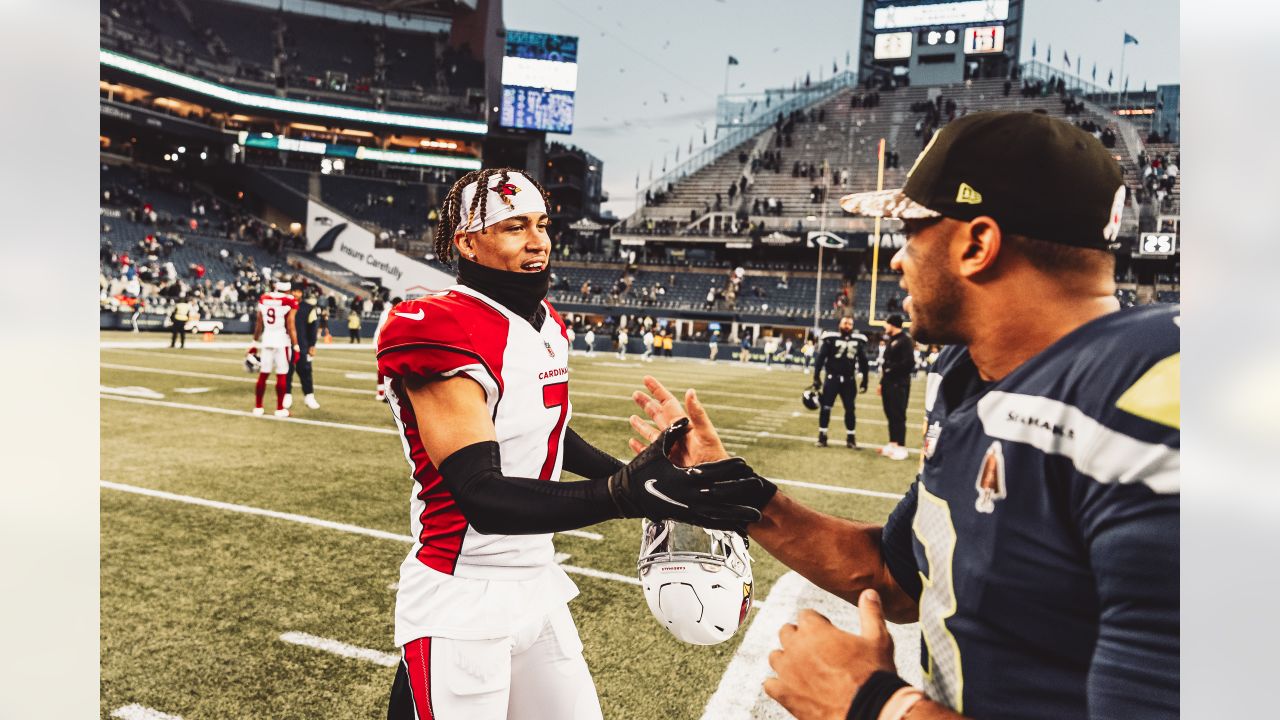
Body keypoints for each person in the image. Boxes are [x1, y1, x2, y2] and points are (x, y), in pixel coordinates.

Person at [627, 112, 1179, 720]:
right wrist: (727, 484)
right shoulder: (975, 376)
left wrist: (873, 706)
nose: (896, 261)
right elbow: (894, 577)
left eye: (911, 233)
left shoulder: (1153, 401)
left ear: (977, 245)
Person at [375, 168, 771, 720]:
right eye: (514, 227)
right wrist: (622, 494)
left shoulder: (545, 324)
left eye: (542, 224)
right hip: (462, 595)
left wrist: (651, 483)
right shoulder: (440, 324)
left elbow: (550, 435)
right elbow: (481, 497)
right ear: (467, 242)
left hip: (536, 583)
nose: (538, 240)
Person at [811, 316, 870, 448]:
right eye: (845, 323)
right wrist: (816, 377)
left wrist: (865, 380)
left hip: (849, 380)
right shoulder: (830, 338)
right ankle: (822, 436)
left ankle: (851, 438)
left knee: (850, 409)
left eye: (850, 323)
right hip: (832, 379)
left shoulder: (858, 340)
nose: (847, 325)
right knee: (826, 408)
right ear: (839, 324)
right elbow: (821, 358)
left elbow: (863, 361)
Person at [249, 280, 299, 417]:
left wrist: (254, 342)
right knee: (281, 374)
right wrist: (296, 346)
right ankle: (279, 408)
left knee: (263, 375)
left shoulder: (265, 298)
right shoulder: (290, 300)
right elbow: (290, 325)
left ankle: (258, 407)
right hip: (282, 341)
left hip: (267, 340)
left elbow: (259, 323)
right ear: (288, 290)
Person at [879, 314, 914, 460]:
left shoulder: (905, 341)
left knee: (898, 415)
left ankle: (901, 446)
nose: (885, 327)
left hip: (898, 383)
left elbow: (908, 363)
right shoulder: (892, 340)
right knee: (890, 414)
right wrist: (882, 382)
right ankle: (893, 443)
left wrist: (890, 370)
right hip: (888, 383)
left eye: (887, 324)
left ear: (893, 324)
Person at [283, 286, 321, 411]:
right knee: (287, 371)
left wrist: (312, 345)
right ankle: (287, 395)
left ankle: (309, 396)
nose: (295, 293)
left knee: (305, 371)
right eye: (293, 291)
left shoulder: (308, 308)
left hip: (303, 344)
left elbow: (313, 329)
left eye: (298, 291)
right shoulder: (285, 306)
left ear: (302, 293)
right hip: (286, 344)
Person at [373, 296, 402, 402]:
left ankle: (385, 393)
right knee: (383, 369)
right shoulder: (389, 313)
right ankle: (383, 393)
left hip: (384, 343)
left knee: (386, 370)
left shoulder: (388, 312)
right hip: (384, 343)